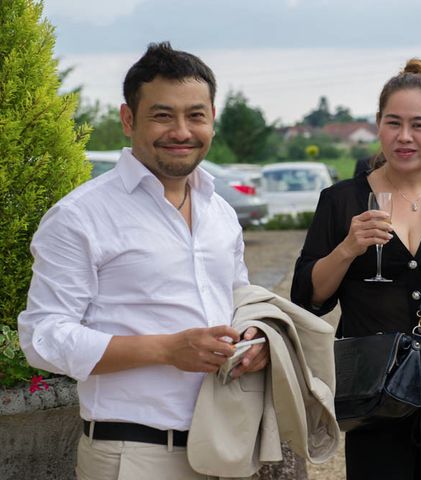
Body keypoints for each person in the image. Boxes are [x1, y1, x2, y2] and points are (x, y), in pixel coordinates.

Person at [18, 42, 269, 480]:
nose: (181, 130)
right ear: (128, 120)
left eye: (195, 115)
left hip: (226, 443)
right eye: (162, 115)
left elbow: (238, 300)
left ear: (213, 117)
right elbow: (43, 338)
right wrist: (168, 350)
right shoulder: (79, 217)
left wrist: (255, 340)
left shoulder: (220, 212)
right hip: (133, 456)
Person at [291, 58, 421, 480]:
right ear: (377, 124)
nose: (404, 137)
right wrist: (347, 248)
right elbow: (307, 299)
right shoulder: (341, 200)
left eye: (419, 124)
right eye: (392, 123)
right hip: (374, 402)